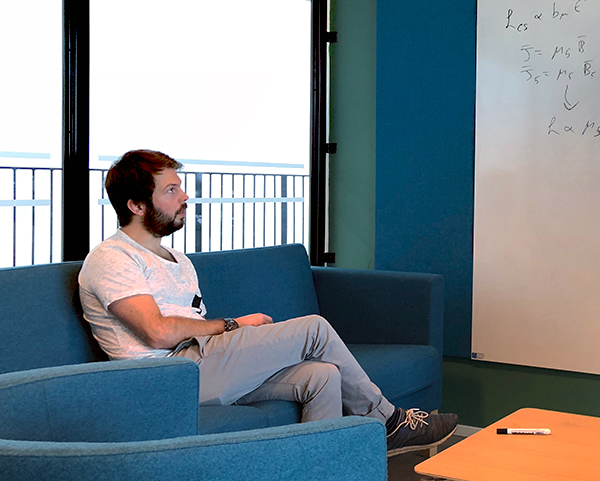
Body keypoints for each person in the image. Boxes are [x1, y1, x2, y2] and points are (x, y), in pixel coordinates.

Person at [79, 149, 458, 457]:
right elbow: (157, 332)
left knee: (323, 375)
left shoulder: (178, 260)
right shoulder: (112, 258)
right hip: (166, 378)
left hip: (203, 363)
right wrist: (233, 325)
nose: (185, 197)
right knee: (314, 328)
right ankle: (388, 421)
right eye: (171, 190)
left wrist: (228, 335)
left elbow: (192, 331)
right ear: (137, 205)